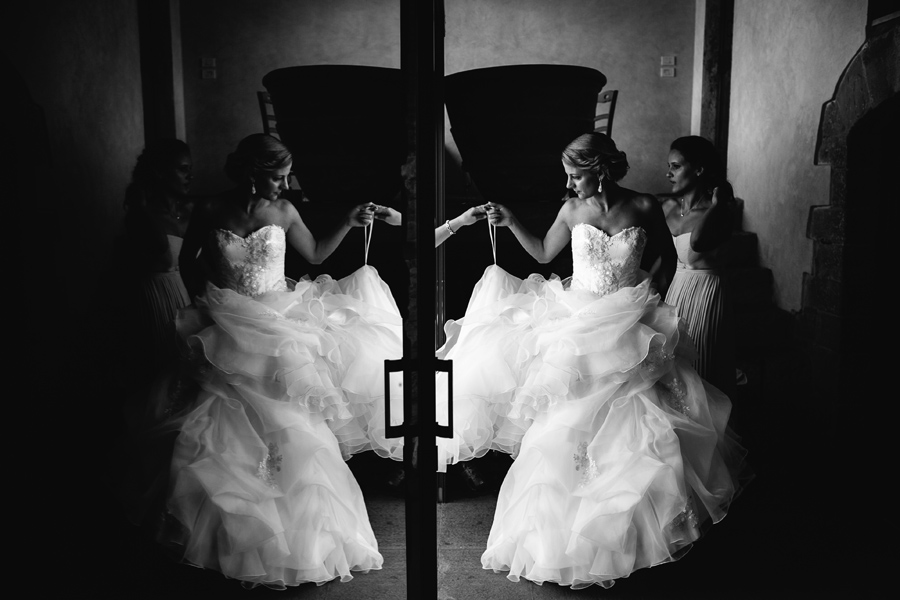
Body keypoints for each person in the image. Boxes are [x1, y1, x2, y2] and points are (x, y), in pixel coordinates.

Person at [446, 132, 746, 589]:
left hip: (630, 325)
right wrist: (510, 222)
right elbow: (544, 253)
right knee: (569, 428)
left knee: (645, 428)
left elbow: (665, 258)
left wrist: (646, 301)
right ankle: (565, 544)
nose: (570, 184)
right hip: (580, 325)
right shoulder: (571, 211)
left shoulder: (644, 206)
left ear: (601, 169)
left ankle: (635, 541)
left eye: (576, 175)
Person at [139, 134, 403, 589]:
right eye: (277, 176)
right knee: (212, 423)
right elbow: (187, 262)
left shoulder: (284, 213)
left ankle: (300, 542)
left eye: (286, 175)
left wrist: (346, 221)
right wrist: (209, 298)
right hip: (226, 323)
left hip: (278, 321)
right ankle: (227, 539)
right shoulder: (210, 210)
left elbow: (317, 254)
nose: (284, 184)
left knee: (292, 423)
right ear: (250, 172)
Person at [662, 136, 737, 399]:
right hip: (677, 289)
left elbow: (697, 241)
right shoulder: (668, 208)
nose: (668, 173)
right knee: (673, 370)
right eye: (669, 166)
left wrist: (716, 206)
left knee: (703, 370)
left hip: (707, 292)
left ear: (699, 170)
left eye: (676, 166)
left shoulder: (721, 211)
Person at [115, 138, 194, 388]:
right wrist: (141, 207)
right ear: (160, 172)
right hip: (155, 298)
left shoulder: (190, 211)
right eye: (182, 169)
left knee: (188, 373)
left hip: (186, 296)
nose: (189, 176)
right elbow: (161, 248)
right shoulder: (141, 215)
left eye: (190, 169)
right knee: (162, 375)